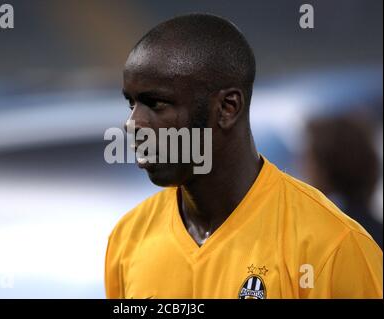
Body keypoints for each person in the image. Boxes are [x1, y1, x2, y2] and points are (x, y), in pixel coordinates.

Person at [105, 13, 382, 299]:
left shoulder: (332, 247)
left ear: (227, 107)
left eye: (156, 103)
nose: (133, 123)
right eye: (132, 103)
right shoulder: (128, 239)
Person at [304, 115, 383, 249]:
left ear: (323, 169)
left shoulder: (321, 240)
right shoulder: (376, 230)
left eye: (309, 158)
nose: (303, 166)